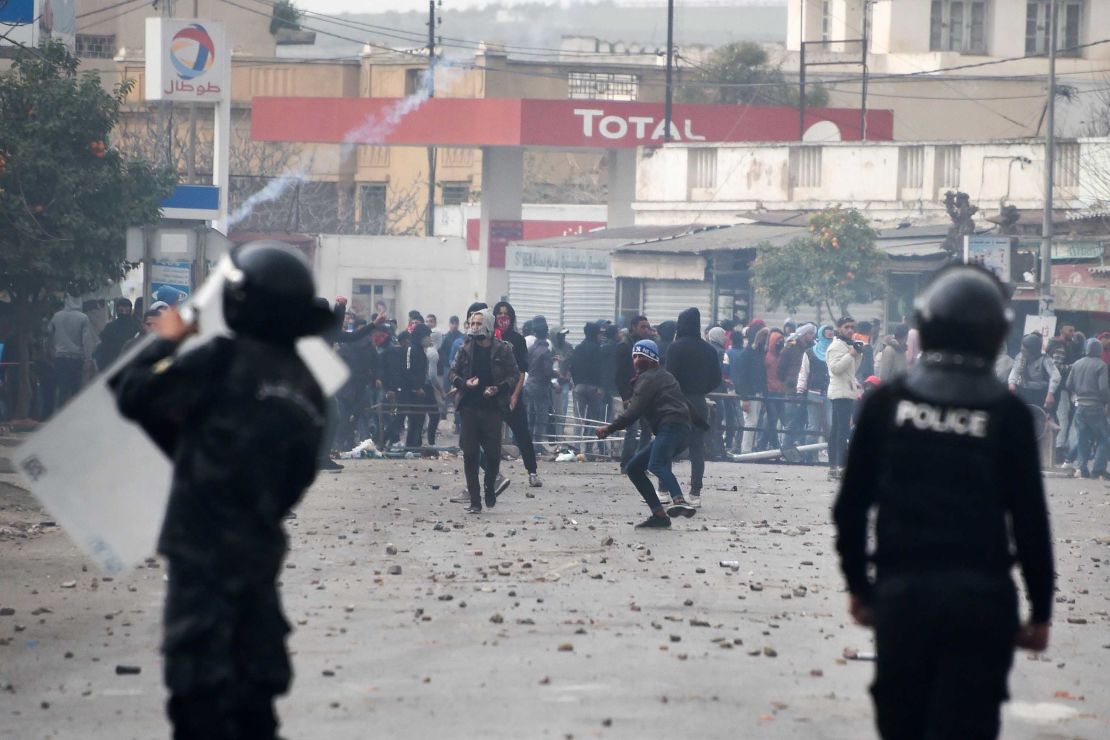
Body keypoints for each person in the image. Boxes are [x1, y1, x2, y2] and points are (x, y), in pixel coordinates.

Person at [110, 241, 335, 740]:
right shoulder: (308, 388)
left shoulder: (219, 359)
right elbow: (298, 477)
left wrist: (169, 335)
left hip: (200, 555)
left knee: (199, 702)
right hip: (258, 556)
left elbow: (130, 392)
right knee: (255, 702)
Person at [833, 264, 1054, 740]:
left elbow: (851, 506)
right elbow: (1031, 520)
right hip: (982, 602)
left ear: (925, 325)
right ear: (997, 334)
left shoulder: (886, 404)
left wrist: (858, 586)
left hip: (903, 596)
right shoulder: (1008, 414)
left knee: (903, 724)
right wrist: (1039, 611)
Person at [596, 339, 700, 528]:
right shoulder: (667, 377)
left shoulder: (648, 378)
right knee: (634, 468)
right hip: (678, 429)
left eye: (641, 357)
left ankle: (679, 500)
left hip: (671, 427)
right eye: (634, 356)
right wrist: (700, 425)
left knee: (657, 464)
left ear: (652, 359)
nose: (636, 360)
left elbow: (633, 413)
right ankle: (659, 515)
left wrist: (608, 429)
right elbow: (685, 403)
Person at [449, 309, 519, 513]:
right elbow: (452, 372)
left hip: (493, 410)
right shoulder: (465, 348)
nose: (474, 327)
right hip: (469, 408)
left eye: (479, 323)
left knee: (493, 455)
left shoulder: (503, 350)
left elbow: (514, 375)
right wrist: (463, 383)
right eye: (472, 323)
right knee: (470, 455)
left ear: (488, 325)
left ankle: (490, 487)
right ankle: (475, 500)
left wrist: (498, 388)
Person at [664, 307, 721, 507]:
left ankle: (664, 489)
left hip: (676, 401)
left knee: (668, 445)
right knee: (697, 448)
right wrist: (701, 389)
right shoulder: (709, 350)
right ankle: (695, 493)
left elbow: (668, 376)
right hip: (698, 402)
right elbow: (716, 379)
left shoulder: (675, 348)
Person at [493, 301, 542, 487]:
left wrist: (514, 396)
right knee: (492, 438)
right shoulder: (490, 338)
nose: (502, 317)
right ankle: (494, 475)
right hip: (494, 395)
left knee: (523, 435)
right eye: (499, 313)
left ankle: (532, 472)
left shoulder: (517, 340)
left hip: (512, 393)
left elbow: (522, 371)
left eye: (506, 314)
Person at [1066, 337, 1110, 479]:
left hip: (1080, 406)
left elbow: (1068, 385)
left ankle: (1082, 469)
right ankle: (1098, 469)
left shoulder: (1077, 364)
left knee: (1083, 438)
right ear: (1099, 350)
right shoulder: (1101, 365)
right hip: (1095, 407)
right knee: (1105, 438)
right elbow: (1103, 388)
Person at [616, 315, 655, 472]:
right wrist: (625, 396)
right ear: (633, 327)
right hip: (632, 395)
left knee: (647, 430)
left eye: (647, 327)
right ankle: (626, 463)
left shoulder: (649, 347)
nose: (646, 330)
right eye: (642, 327)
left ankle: (640, 464)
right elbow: (619, 375)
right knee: (632, 430)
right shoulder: (625, 346)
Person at [47, 294, 98, 411]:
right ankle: (75, 416)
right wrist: (88, 360)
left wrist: (51, 353)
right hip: (76, 359)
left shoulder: (56, 316)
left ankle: (60, 417)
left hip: (60, 358)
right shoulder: (83, 318)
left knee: (62, 389)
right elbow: (86, 341)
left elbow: (48, 336)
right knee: (76, 390)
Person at [826, 316, 863, 480]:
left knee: (837, 431)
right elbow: (835, 369)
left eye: (852, 327)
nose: (850, 330)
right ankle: (839, 466)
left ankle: (834, 467)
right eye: (846, 327)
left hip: (847, 391)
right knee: (841, 431)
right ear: (839, 328)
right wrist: (851, 354)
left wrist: (857, 353)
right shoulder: (836, 346)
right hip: (839, 392)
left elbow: (853, 369)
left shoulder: (847, 346)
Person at [571, 321, 605, 451]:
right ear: (595, 334)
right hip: (594, 388)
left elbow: (573, 367)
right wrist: (601, 387)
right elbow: (601, 369)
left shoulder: (578, 348)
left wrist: (575, 382)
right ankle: (589, 447)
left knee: (578, 419)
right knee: (592, 419)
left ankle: (576, 447)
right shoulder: (598, 349)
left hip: (579, 387)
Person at [733, 326, 768, 454]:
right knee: (751, 422)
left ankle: (748, 448)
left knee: (753, 422)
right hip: (750, 393)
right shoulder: (747, 354)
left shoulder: (758, 354)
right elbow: (742, 378)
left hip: (757, 392)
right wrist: (745, 398)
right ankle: (746, 450)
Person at [524, 315, 557, 445]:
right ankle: (537, 444)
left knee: (530, 417)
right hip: (541, 387)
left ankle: (528, 443)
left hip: (529, 385)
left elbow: (526, 366)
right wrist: (557, 374)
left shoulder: (531, 349)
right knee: (541, 417)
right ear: (546, 332)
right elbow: (547, 372)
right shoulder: (545, 350)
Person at [1008, 333, 1060, 409]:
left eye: (1025, 348)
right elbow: (1015, 370)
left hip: (1040, 394)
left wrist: (1050, 394)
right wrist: (1011, 383)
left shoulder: (1045, 359)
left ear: (1033, 349)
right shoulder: (1020, 356)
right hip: (1024, 391)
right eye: (1022, 347)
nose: (1022, 350)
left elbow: (1056, 376)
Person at [94, 298, 140, 371]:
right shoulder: (136, 326)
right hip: (128, 363)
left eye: (126, 307)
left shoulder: (110, 326)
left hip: (115, 364)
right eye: (122, 308)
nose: (124, 310)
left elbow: (103, 346)